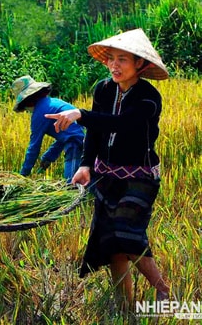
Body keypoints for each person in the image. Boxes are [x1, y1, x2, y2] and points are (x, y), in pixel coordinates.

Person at [44, 29, 170, 308]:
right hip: (105, 175)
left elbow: (121, 124)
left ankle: (162, 289)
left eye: (122, 60)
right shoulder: (103, 89)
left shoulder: (148, 99)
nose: (115, 65)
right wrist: (86, 165)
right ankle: (125, 306)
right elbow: (96, 133)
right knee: (112, 242)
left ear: (140, 64)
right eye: (111, 59)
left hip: (140, 177)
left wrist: (80, 114)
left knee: (126, 233)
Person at [11, 75, 85, 183]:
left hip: (77, 143)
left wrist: (23, 174)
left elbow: (34, 147)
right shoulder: (51, 103)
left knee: (72, 185)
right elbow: (63, 137)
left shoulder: (40, 113)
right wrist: (48, 158)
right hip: (84, 140)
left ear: (26, 101)